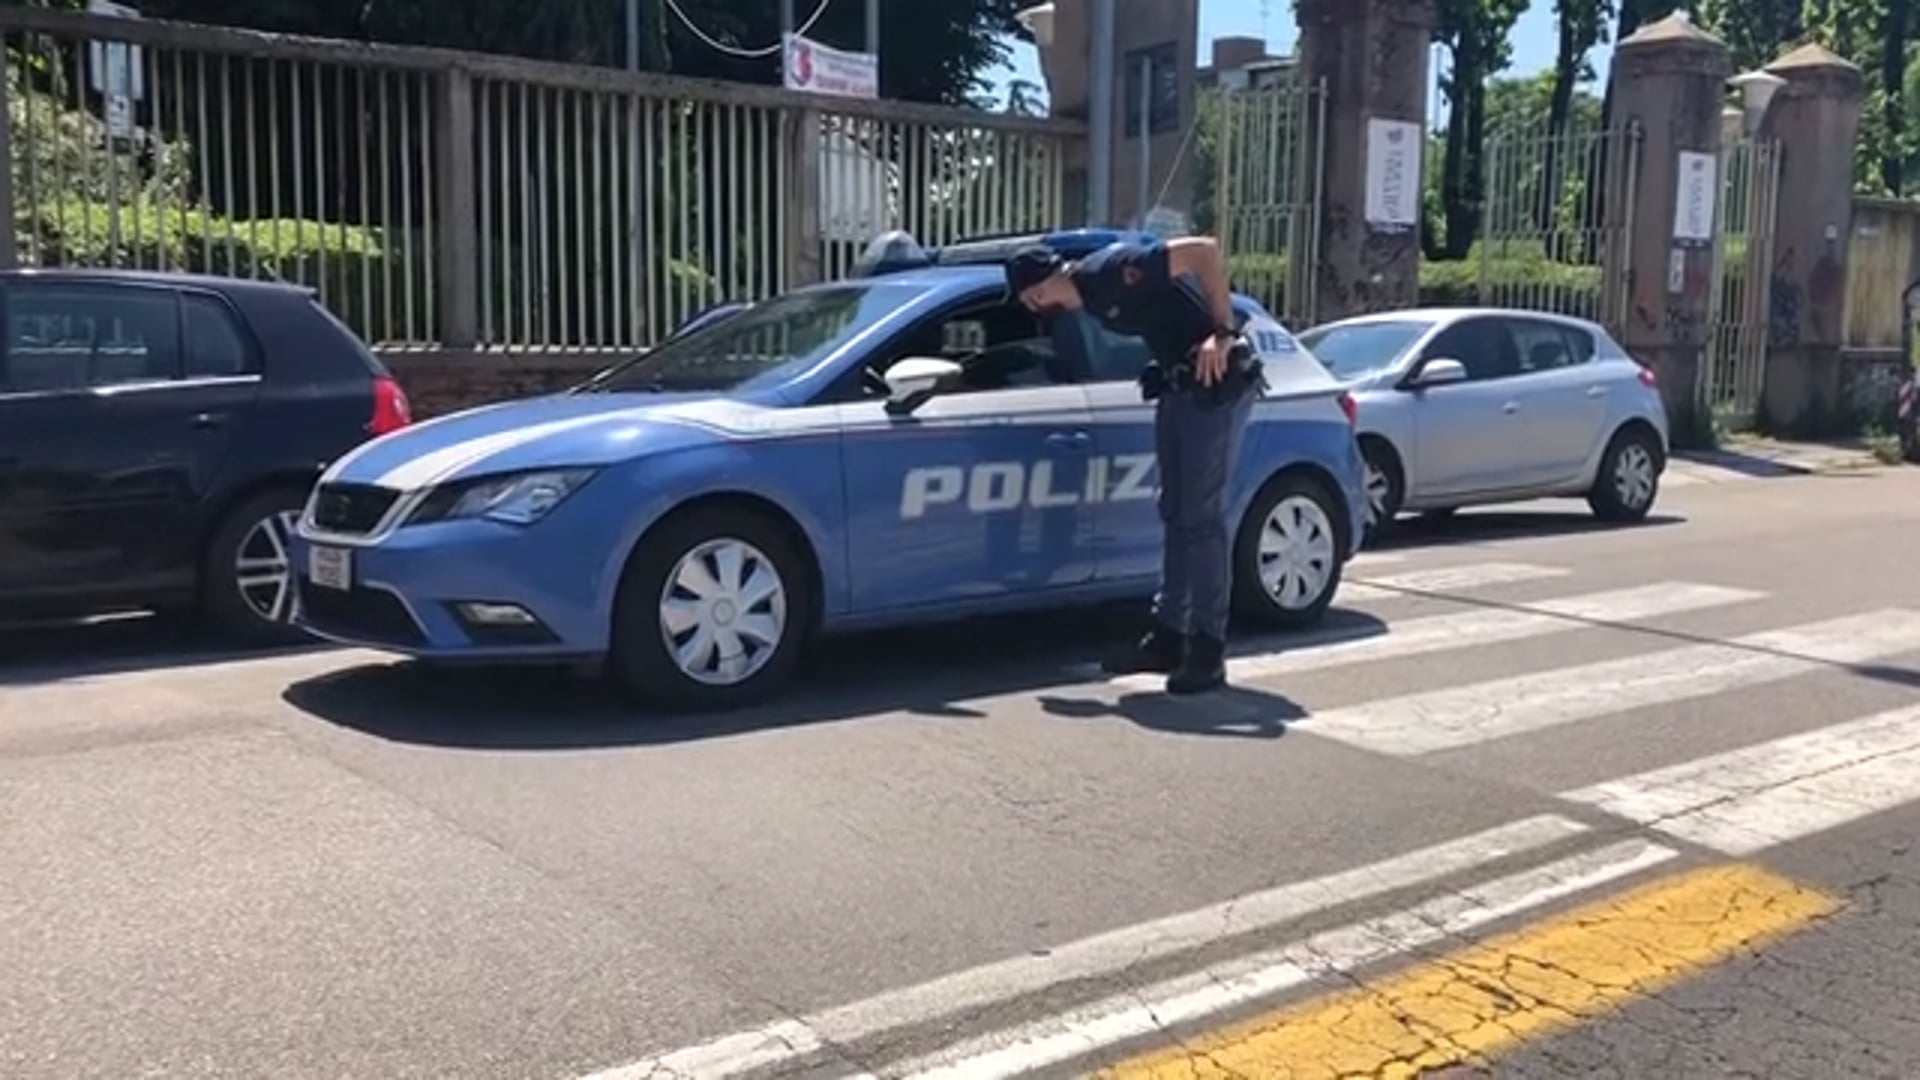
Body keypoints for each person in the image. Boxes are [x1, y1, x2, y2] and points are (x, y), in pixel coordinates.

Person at [1005, 237, 1262, 695]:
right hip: (1180, 388)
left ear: (1036, 291)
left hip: (1216, 386)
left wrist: (1221, 332)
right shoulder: (1092, 294)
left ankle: (1207, 650)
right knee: (1176, 513)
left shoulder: (1110, 270)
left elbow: (1204, 250)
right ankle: (1169, 635)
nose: (1032, 309)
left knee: (1201, 522)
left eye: (1028, 300)